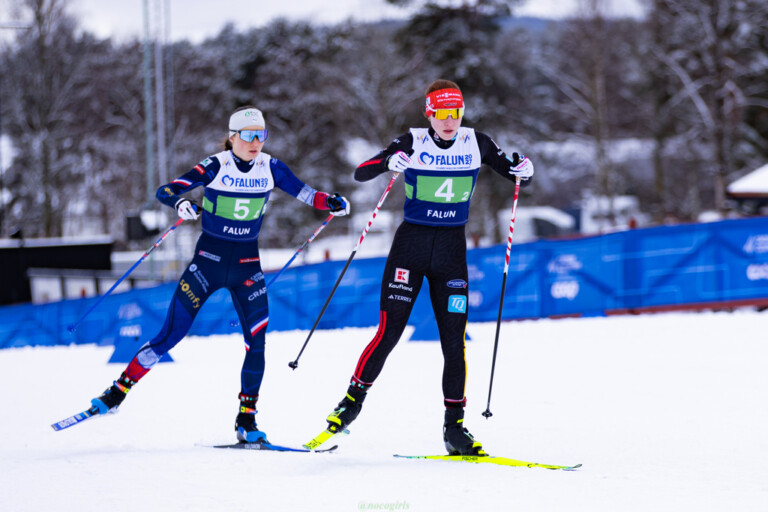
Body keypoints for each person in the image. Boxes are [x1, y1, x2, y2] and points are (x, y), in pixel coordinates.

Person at [91, 106, 350, 443]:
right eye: (248, 135)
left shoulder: (271, 167)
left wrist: (331, 201)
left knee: (257, 342)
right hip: (208, 263)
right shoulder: (215, 165)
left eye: (261, 135)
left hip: (246, 268)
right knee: (170, 335)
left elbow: (306, 194)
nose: (256, 142)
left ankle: (247, 419)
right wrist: (181, 204)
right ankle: (115, 393)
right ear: (232, 137)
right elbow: (166, 191)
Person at [319, 79, 534, 455]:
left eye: (456, 112)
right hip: (410, 249)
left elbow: (515, 172)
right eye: (441, 113)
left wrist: (525, 169)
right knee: (390, 332)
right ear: (428, 113)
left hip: (451, 253)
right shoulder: (412, 141)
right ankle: (349, 405)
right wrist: (388, 161)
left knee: (454, 341)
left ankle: (455, 430)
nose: (449, 121)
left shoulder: (477, 142)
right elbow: (361, 172)